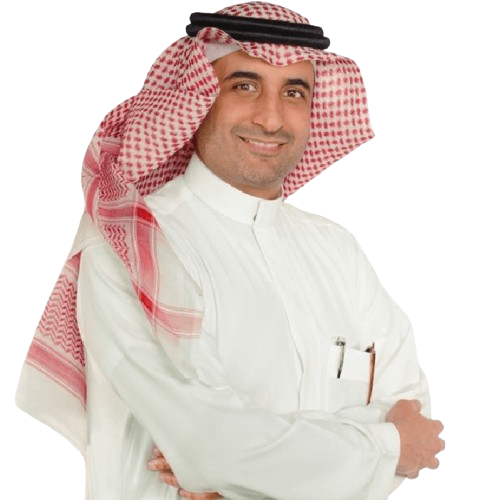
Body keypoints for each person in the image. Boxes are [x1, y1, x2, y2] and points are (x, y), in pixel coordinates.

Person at [14, 2, 444, 499]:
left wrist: (246, 467)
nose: (271, 118)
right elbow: (207, 443)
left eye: (293, 92)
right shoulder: (133, 243)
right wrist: (385, 446)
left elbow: (416, 419)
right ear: (198, 97)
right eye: (244, 86)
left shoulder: (338, 250)